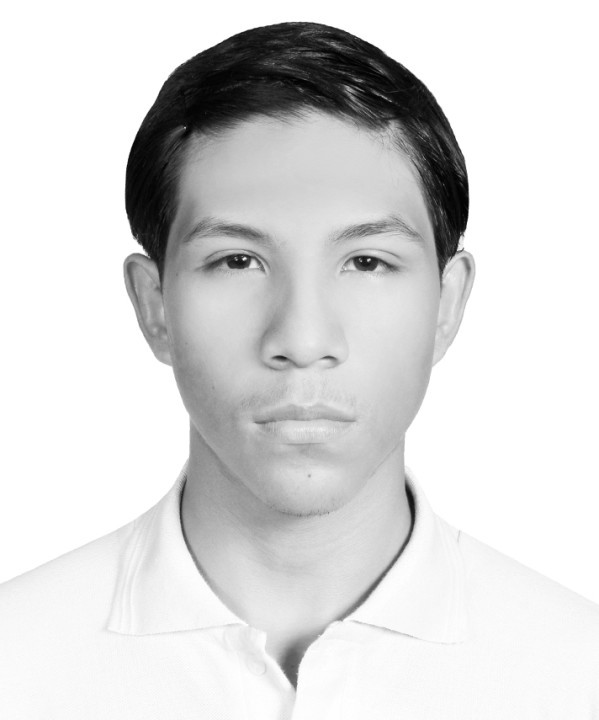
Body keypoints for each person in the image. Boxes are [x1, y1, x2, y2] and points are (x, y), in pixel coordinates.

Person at [0, 21, 597, 719]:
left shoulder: (575, 675)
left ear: (447, 303)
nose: (303, 339)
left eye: (366, 262)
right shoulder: (18, 664)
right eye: (237, 261)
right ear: (154, 304)